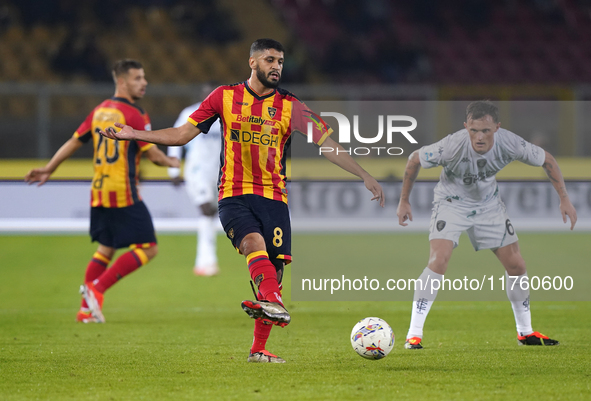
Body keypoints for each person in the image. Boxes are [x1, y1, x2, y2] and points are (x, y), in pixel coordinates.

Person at [100, 38, 385, 363]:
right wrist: (135, 135)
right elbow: (181, 135)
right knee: (252, 243)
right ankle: (275, 304)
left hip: (274, 198)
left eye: (279, 61)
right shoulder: (223, 97)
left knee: (271, 274)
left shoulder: (290, 105)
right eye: (269, 60)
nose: (276, 66)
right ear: (252, 63)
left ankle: (259, 346)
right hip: (234, 194)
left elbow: (327, 143)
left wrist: (364, 174)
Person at [396, 100, 577, 349]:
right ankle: (413, 334)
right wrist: (404, 201)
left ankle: (525, 333)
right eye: (473, 130)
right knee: (438, 260)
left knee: (516, 265)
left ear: (497, 128)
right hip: (451, 204)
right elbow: (414, 159)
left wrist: (564, 200)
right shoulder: (451, 146)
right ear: (466, 126)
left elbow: (547, 160)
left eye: (486, 131)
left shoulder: (510, 143)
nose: (479, 137)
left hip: (488, 205)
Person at [25, 59, 180, 324]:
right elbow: (152, 154)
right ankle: (97, 289)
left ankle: (86, 311)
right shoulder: (134, 113)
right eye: (137, 78)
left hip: (99, 191)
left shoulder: (99, 110)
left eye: (144, 78)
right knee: (149, 248)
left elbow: (75, 141)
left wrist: (50, 168)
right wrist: (173, 161)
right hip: (123, 191)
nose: (144, 83)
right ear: (121, 82)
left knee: (105, 248)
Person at [168, 86, 222, 276]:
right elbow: (175, 138)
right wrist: (173, 170)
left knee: (212, 213)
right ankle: (208, 262)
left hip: (219, 172)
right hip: (197, 171)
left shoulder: (225, 115)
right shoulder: (190, 113)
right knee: (206, 209)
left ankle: (203, 261)